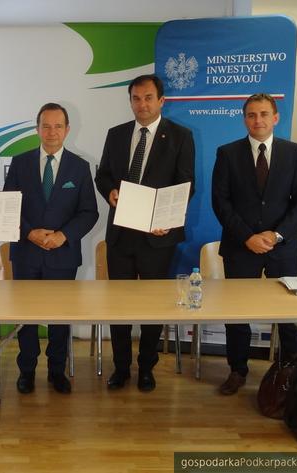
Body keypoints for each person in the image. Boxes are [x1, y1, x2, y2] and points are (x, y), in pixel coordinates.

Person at [94, 74, 195, 392]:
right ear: (130, 101)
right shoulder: (116, 134)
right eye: (136, 98)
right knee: (119, 306)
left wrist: (168, 218)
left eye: (148, 97)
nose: (142, 104)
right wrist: (109, 191)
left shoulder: (180, 136)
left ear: (161, 101)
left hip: (158, 237)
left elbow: (186, 185)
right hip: (121, 236)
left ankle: (147, 367)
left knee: (153, 306)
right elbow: (103, 175)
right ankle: (121, 367)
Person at [212, 93, 297, 395]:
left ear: (275, 118)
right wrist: (248, 237)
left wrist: (276, 235)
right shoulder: (227, 153)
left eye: (264, 114)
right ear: (244, 119)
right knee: (236, 314)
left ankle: (291, 373)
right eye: (252, 115)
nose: (258, 120)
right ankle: (237, 371)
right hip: (241, 247)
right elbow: (221, 202)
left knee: (289, 316)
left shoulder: (293, 153)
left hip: (283, 248)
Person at [4, 103, 98, 394]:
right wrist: (28, 233)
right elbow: (8, 206)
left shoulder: (79, 167)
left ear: (67, 130)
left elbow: (89, 212)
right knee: (26, 318)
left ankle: (57, 370)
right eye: (46, 126)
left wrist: (64, 236)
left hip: (62, 255)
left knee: (60, 318)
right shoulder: (19, 163)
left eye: (58, 126)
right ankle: (27, 370)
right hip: (26, 253)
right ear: (37, 129)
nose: (52, 132)